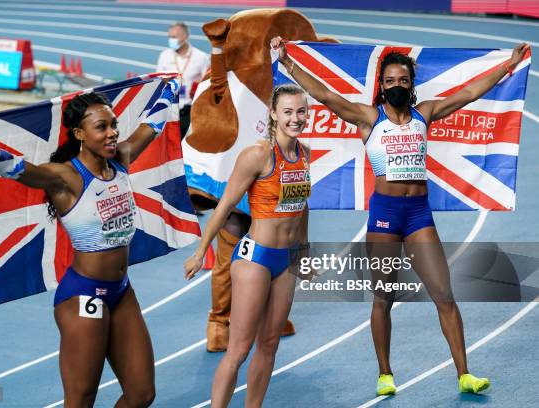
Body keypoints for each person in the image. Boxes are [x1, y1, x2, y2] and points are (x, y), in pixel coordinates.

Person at [272, 36, 530, 396]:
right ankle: (385, 374)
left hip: (418, 214)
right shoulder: (368, 118)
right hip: (385, 216)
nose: (396, 86)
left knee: (444, 294)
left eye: (403, 81)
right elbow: (327, 96)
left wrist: (508, 65)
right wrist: (287, 63)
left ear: (411, 85)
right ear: (382, 85)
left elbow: (469, 93)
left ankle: (464, 374)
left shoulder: (424, 113)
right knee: (384, 298)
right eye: (390, 81)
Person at [0, 79, 179, 407]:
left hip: (121, 291)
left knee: (142, 394)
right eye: (102, 127)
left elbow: (152, 125)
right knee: (81, 399)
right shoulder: (64, 178)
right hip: (83, 294)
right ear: (79, 134)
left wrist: (170, 89)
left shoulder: (121, 160)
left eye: (114, 125)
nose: (113, 132)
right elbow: (18, 169)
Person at [184, 84, 311, 407]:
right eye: (288, 112)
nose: (295, 119)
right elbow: (225, 204)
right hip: (256, 258)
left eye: (300, 112)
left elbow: (302, 205)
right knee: (239, 349)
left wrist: (303, 251)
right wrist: (201, 251)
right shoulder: (258, 155)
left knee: (269, 344)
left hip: (286, 260)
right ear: (273, 114)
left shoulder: (305, 154)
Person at [200, 18, 295, 354]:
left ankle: (268, 315)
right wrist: (216, 49)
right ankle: (219, 323)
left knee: (271, 248)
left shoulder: (275, 94)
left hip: (269, 184)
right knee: (230, 251)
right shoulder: (234, 90)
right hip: (237, 177)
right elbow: (217, 84)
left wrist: (280, 56)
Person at [157, 22, 210, 138]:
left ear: (185, 37)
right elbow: (159, 81)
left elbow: (207, 83)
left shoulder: (201, 57)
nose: (171, 40)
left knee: (186, 145)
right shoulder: (164, 56)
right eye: (170, 37)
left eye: (174, 37)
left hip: (190, 110)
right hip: (169, 109)